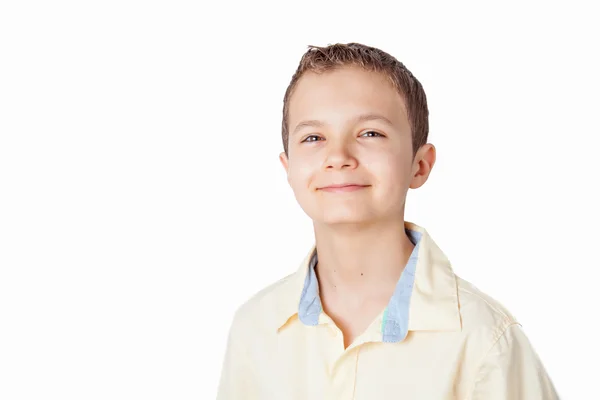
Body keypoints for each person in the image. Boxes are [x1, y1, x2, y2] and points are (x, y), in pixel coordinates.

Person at [216, 42, 559, 399]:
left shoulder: (485, 340)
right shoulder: (254, 329)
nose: (338, 157)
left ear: (420, 164)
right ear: (288, 169)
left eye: (370, 133)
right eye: (313, 137)